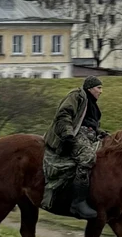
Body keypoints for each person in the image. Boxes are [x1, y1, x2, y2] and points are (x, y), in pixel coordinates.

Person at [44, 76, 109, 220]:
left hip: (88, 135)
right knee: (88, 157)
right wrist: (67, 133)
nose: (101, 91)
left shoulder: (92, 104)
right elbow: (64, 114)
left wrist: (100, 132)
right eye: (99, 88)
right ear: (90, 88)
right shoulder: (77, 96)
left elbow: (89, 124)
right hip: (73, 134)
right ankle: (78, 202)